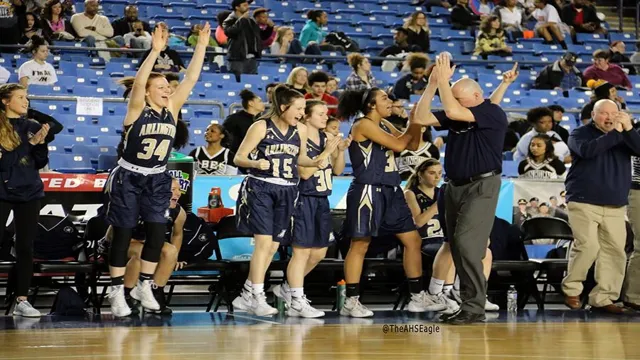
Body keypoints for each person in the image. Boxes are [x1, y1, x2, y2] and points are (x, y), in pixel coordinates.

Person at [103, 23, 209, 317]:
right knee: (123, 234)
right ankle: (115, 290)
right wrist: (155, 52)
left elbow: (192, 78)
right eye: (160, 87)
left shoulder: (172, 109)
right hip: (129, 176)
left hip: (158, 176)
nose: (167, 90)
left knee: (157, 232)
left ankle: (145, 285)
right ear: (148, 92)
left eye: (167, 87)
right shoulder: (137, 109)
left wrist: (201, 45)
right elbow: (138, 83)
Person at [418, 54, 517, 324]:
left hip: (481, 184)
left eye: (458, 98)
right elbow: (420, 117)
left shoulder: (491, 112)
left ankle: (474, 306)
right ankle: (465, 303)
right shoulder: (464, 113)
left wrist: (444, 84)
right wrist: (432, 85)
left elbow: (451, 110)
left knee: (467, 244)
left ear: (476, 96)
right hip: (453, 186)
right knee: (455, 244)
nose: (450, 100)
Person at [336, 86, 444, 318]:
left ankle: (417, 297)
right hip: (368, 190)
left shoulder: (385, 124)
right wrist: (414, 121)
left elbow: (413, 146)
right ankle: (351, 301)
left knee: (413, 240)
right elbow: (398, 145)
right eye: (384, 98)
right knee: (360, 244)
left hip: (391, 190)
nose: (390, 101)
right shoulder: (363, 124)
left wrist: (415, 122)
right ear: (371, 105)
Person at [232, 85, 329, 316]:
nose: (301, 113)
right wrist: (256, 163)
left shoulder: (301, 130)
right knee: (264, 244)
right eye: (298, 108)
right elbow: (239, 158)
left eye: (304, 108)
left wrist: (317, 162)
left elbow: (301, 158)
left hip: (287, 190)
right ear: (283, 107)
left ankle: (246, 293)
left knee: (273, 246)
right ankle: (256, 295)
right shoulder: (261, 126)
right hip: (261, 188)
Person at [272, 100, 349, 318]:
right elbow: (304, 173)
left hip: (322, 199)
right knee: (301, 251)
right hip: (302, 198)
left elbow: (339, 170)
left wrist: (339, 151)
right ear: (307, 116)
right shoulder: (299, 137)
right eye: (321, 113)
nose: (326, 117)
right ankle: (297, 299)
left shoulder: (326, 138)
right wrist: (326, 153)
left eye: (327, 113)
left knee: (319, 252)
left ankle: (287, 289)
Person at [563, 100, 640, 314]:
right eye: (603, 113)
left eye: (613, 113)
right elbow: (589, 151)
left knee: (615, 252)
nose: (608, 117)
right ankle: (572, 289)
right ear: (593, 115)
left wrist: (630, 129)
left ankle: (604, 298)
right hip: (583, 199)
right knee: (588, 246)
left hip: (615, 203)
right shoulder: (579, 133)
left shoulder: (625, 135)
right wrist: (616, 132)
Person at [405, 159, 499, 314]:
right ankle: (440, 292)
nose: (436, 177)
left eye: (440, 173)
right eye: (431, 173)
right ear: (420, 175)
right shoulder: (411, 193)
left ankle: (473, 292)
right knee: (451, 248)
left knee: (485, 251)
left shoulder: (443, 191)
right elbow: (419, 222)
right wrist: (438, 205)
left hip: (444, 236)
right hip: (426, 239)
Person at [0, 84, 50, 317]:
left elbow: (39, 162)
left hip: (30, 191)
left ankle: (22, 300)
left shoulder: (32, 125)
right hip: (2, 190)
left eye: (27, 97)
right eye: (20, 97)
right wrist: (29, 144)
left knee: (25, 247)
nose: (26, 101)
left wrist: (41, 144)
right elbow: (5, 163)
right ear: (5, 101)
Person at [105, 177, 186, 315]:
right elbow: (111, 236)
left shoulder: (179, 212)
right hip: (121, 245)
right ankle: (127, 295)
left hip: (148, 244)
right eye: (173, 190)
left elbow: (177, 235)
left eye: (179, 190)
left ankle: (155, 292)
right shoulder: (135, 207)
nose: (177, 193)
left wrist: (173, 259)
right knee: (141, 253)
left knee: (170, 251)